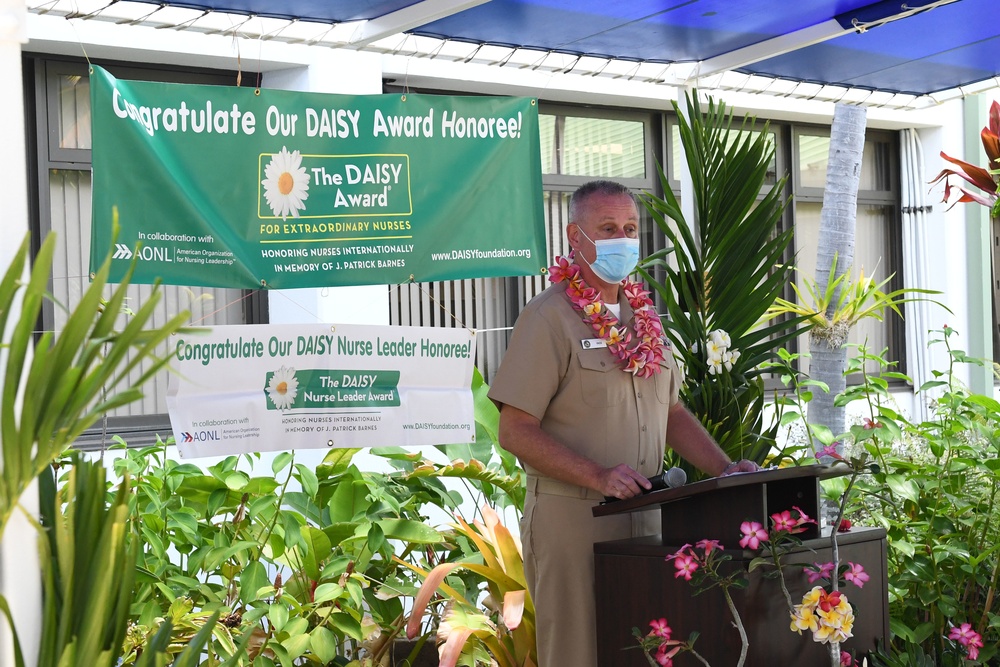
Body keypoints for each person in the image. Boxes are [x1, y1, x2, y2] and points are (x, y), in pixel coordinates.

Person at [487, 179, 758, 667]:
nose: (622, 239)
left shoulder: (645, 315)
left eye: (630, 228)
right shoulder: (548, 318)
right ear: (576, 237)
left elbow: (671, 412)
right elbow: (515, 430)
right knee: (579, 653)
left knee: (644, 653)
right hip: (575, 521)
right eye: (608, 228)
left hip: (649, 518)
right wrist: (598, 476)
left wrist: (724, 469)